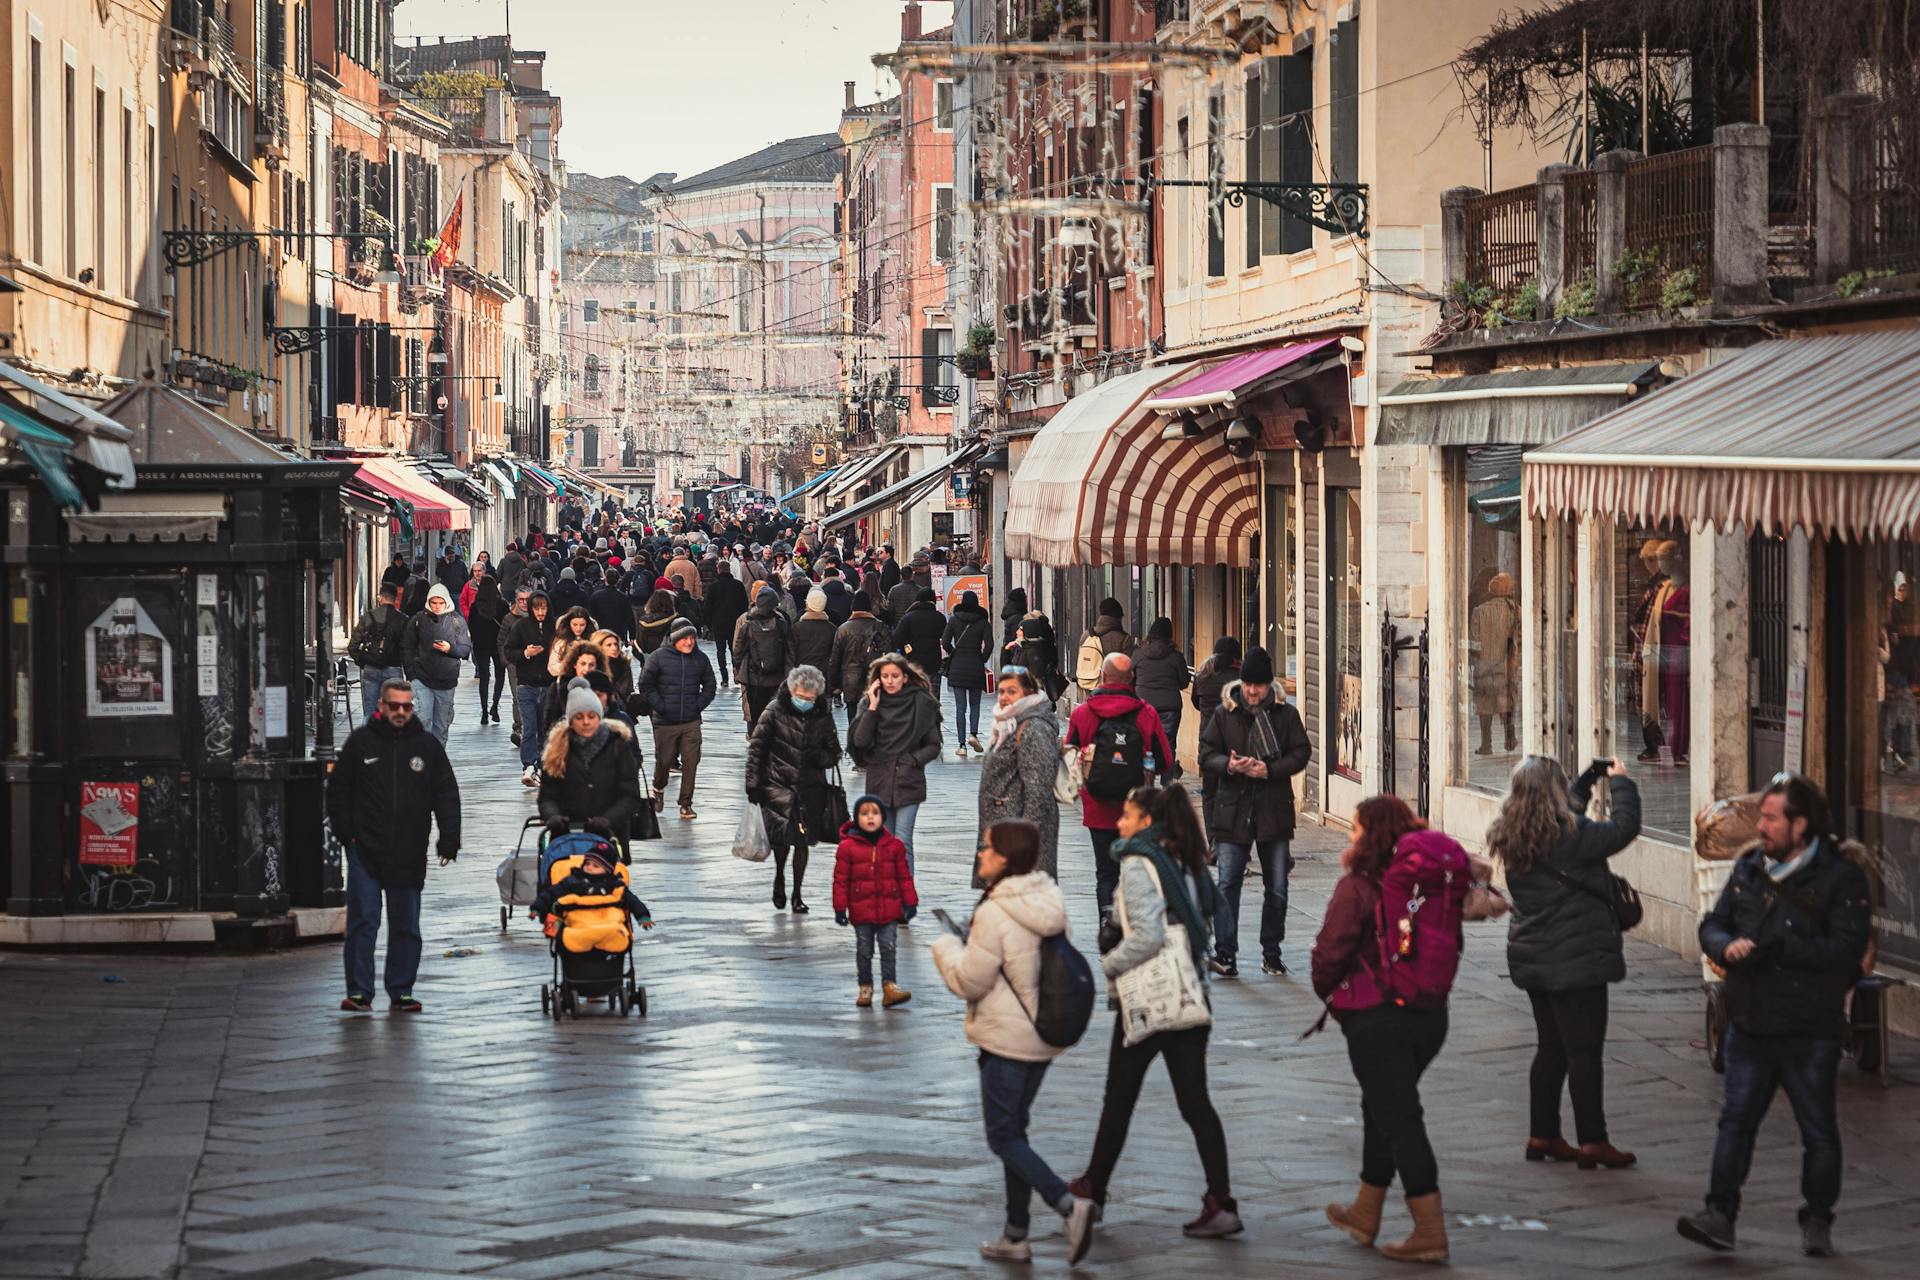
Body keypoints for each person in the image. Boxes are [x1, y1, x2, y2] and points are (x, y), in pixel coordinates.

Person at [1677, 773, 1872, 1258]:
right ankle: (1719, 1214)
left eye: (1770, 817)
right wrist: (1725, 945)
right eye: (1760, 816)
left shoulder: (1841, 878)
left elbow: (1849, 952)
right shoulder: (1748, 869)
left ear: (1800, 824)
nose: (1760, 825)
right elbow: (1714, 923)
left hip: (1809, 1028)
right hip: (1751, 1021)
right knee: (1735, 1122)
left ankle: (1818, 1218)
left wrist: (1781, 948)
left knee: (1818, 1129)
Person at [1069, 784, 1238, 1241]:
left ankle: (1094, 1189)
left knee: (1118, 1100)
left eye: (1127, 814)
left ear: (1146, 821)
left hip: (1148, 998)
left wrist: (1109, 962)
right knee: (1196, 1103)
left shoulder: (1141, 864)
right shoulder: (1185, 860)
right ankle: (1221, 1201)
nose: (1119, 821)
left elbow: (1148, 936)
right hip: (1190, 994)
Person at [930, 819, 1097, 1265]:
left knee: (1003, 1137)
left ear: (1005, 858)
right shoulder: (1045, 895)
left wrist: (946, 948)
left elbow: (970, 980)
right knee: (1015, 1133)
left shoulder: (996, 910)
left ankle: (1067, 1205)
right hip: (1041, 1033)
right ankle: (1015, 1233)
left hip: (1007, 1037)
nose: (979, 854)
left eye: (986, 848)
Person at [1312, 795, 1457, 1265]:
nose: (1351, 836)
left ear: (1370, 834)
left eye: (1355, 828)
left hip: (1378, 1021)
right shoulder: (1425, 886)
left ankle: (1429, 1230)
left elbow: (1329, 954)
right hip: (1430, 1015)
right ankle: (1366, 1210)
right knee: (1382, 1108)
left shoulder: (1357, 887)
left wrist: (1335, 995)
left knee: (1399, 1119)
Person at [1489, 756, 1642, 1170]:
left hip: (1535, 956)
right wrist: (1622, 784)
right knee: (1584, 1052)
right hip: (1578, 957)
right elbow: (1625, 828)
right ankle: (1593, 1140)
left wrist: (1590, 779)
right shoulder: (1572, 837)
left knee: (1551, 1048)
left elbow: (1567, 813)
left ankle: (1543, 1134)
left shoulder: (1513, 834)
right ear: (1554, 792)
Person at [326, 679, 460, 1014]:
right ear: (382, 707)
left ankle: (401, 990)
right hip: (364, 849)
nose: (401, 712)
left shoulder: (427, 747)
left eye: (406, 706)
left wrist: (449, 839)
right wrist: (348, 836)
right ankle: (359, 991)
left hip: (409, 849)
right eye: (394, 706)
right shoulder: (360, 744)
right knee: (364, 921)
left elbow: (445, 794)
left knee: (406, 924)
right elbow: (338, 793)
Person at [1197, 645, 1310, 977]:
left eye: (1258, 685)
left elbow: (1301, 751)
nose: (1252, 691)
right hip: (1233, 810)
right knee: (1228, 882)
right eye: (1248, 684)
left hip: (1273, 810)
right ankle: (1225, 953)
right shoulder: (1225, 713)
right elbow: (1206, 753)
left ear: (1268, 684)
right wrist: (1229, 765)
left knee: (1277, 886)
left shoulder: (1285, 714)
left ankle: (1271, 952)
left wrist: (1270, 770)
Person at [1064, 653, 1175, 922]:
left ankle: (1107, 922)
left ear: (1103, 676)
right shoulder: (1146, 713)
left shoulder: (1083, 714)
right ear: (1132, 679)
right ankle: (1135, 923)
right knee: (1137, 870)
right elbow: (1165, 761)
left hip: (1097, 808)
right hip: (1137, 811)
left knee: (1105, 873)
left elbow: (1069, 759)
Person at [744, 665, 842, 914]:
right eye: (801, 696)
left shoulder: (822, 715)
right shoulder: (774, 711)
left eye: (810, 698)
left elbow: (835, 751)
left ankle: (797, 893)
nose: (805, 701)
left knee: (803, 842)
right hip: (778, 785)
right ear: (791, 690)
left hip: (811, 788)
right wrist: (753, 785)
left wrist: (819, 756)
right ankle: (779, 877)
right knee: (781, 839)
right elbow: (757, 749)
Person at [848, 653, 942, 873]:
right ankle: (889, 887)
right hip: (879, 781)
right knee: (886, 841)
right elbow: (860, 741)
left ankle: (904, 893)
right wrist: (872, 707)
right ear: (878, 679)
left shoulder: (922, 703)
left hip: (909, 780)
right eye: (885, 676)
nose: (890, 681)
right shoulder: (869, 704)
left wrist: (914, 760)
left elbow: (933, 745)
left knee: (902, 840)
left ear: (905, 677)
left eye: (895, 676)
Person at [976, 666, 1062, 880]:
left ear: (1029, 693)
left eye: (1012, 691)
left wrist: (1023, 838)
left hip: (1020, 837)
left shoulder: (1033, 728)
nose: (1004, 697)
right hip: (1006, 829)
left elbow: (1039, 790)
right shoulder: (1008, 723)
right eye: (1002, 691)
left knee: (1023, 900)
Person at [832, 795, 917, 1008]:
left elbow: (904, 877)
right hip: (862, 910)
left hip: (889, 909)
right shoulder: (847, 848)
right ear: (856, 818)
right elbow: (840, 880)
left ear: (882, 817)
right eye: (864, 813)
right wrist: (840, 908)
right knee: (864, 950)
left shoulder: (894, 846)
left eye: (875, 813)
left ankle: (890, 986)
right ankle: (865, 987)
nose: (870, 818)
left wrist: (910, 902)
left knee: (889, 947)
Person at [538, 684, 643, 843]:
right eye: (579, 717)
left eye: (591, 716)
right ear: (571, 720)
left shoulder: (617, 745)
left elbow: (630, 795)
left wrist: (609, 819)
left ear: (599, 717)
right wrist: (553, 816)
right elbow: (547, 795)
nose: (586, 722)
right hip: (567, 837)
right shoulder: (557, 750)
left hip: (609, 835)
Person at [634, 621, 716, 822]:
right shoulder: (659, 658)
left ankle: (686, 803)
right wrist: (659, 706)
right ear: (675, 639)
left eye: (692, 638)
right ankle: (658, 787)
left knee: (691, 761)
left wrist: (698, 705)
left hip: (691, 720)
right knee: (664, 761)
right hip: (665, 721)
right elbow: (645, 684)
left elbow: (709, 685)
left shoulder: (700, 659)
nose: (689, 642)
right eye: (684, 638)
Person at [401, 583, 472, 744]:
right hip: (422, 679)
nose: (438, 607)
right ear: (429, 602)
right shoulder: (419, 620)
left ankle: (437, 761)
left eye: (441, 603)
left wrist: (449, 648)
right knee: (422, 721)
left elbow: (465, 650)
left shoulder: (457, 621)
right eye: (434, 603)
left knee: (441, 726)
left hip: (446, 682)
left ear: (446, 601)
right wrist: (411, 675)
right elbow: (407, 646)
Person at [504, 592, 554, 785]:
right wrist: (525, 653)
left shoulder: (554, 626)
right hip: (526, 684)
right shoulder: (521, 626)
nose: (540, 612)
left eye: (543, 608)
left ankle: (542, 765)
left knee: (544, 727)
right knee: (530, 726)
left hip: (548, 685)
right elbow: (508, 651)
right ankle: (528, 765)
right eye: (537, 608)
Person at [1132, 618, 1191, 773]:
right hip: (1169, 707)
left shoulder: (1138, 654)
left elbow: (1129, 679)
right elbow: (1184, 682)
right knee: (1168, 745)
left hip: (1143, 707)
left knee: (1144, 745)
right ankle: (1167, 785)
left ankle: (1146, 783)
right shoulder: (1176, 656)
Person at [346, 582, 409, 724]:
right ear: (396, 598)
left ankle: (369, 743)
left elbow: (353, 646)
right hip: (394, 667)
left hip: (370, 668)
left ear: (380, 597)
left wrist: (361, 660)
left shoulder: (368, 617)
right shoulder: (403, 619)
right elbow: (407, 648)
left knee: (369, 713)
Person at [734, 585, 795, 725]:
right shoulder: (782, 624)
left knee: (756, 717)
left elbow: (737, 652)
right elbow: (790, 650)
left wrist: (738, 668)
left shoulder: (748, 625)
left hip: (754, 678)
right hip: (777, 678)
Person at [943, 590, 994, 757]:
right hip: (975, 665)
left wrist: (953, 653)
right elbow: (989, 645)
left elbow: (945, 642)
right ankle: (973, 734)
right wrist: (982, 658)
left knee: (960, 707)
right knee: (975, 704)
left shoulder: (954, 619)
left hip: (957, 665)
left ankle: (962, 745)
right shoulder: (983, 622)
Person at [828, 596, 892, 713]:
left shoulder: (843, 629)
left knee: (853, 718)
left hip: (850, 680)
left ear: (853, 608)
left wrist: (834, 685)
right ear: (869, 608)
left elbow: (835, 659)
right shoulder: (880, 626)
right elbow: (888, 655)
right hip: (874, 678)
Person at [892, 586, 947, 702]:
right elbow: (945, 638)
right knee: (932, 696)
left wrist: (905, 651)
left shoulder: (908, 617)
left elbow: (897, 639)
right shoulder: (939, 618)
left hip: (913, 661)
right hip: (934, 662)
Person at [466, 574, 509, 725]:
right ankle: (495, 706)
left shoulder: (475, 606)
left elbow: (471, 626)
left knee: (484, 677)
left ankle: (484, 712)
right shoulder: (502, 605)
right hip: (498, 645)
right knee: (500, 674)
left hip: (481, 645)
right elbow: (506, 626)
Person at [1075, 597, 1136, 694]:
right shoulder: (1124, 639)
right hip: (1114, 691)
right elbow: (1129, 667)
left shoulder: (1087, 635)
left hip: (1089, 686)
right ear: (1118, 617)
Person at [542, 641, 603, 735]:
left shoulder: (604, 688)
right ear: (574, 664)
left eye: (591, 665)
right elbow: (550, 724)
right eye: (583, 664)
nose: (586, 669)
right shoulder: (559, 688)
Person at [706, 560, 749, 686]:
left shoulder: (713, 587)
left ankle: (724, 678)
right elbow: (744, 605)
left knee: (720, 650)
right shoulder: (738, 585)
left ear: (718, 570)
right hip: (734, 623)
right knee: (735, 649)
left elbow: (708, 607)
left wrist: (709, 624)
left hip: (718, 623)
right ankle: (736, 673)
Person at [792, 588, 839, 677]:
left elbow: (792, 652)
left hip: (801, 673)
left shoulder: (797, 627)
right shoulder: (831, 628)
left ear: (808, 604)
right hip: (823, 674)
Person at [634, 579, 682, 656]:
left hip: (649, 663)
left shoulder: (644, 622)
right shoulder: (675, 620)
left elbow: (637, 647)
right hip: (670, 662)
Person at [588, 567, 635, 644]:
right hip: (618, 632)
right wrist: (632, 636)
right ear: (618, 580)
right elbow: (629, 617)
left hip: (601, 631)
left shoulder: (596, 596)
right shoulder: (623, 597)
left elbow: (591, 615)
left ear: (605, 579)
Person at [547, 606, 594, 677]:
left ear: (587, 624)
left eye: (582, 625)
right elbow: (552, 667)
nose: (578, 628)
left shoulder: (593, 639)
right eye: (575, 625)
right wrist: (571, 667)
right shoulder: (561, 641)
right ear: (569, 623)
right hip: (566, 681)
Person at [592, 629, 635, 702]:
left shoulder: (624, 665)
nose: (614, 648)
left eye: (616, 644)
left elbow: (629, 691)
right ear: (599, 647)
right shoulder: (593, 666)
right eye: (609, 645)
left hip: (623, 709)